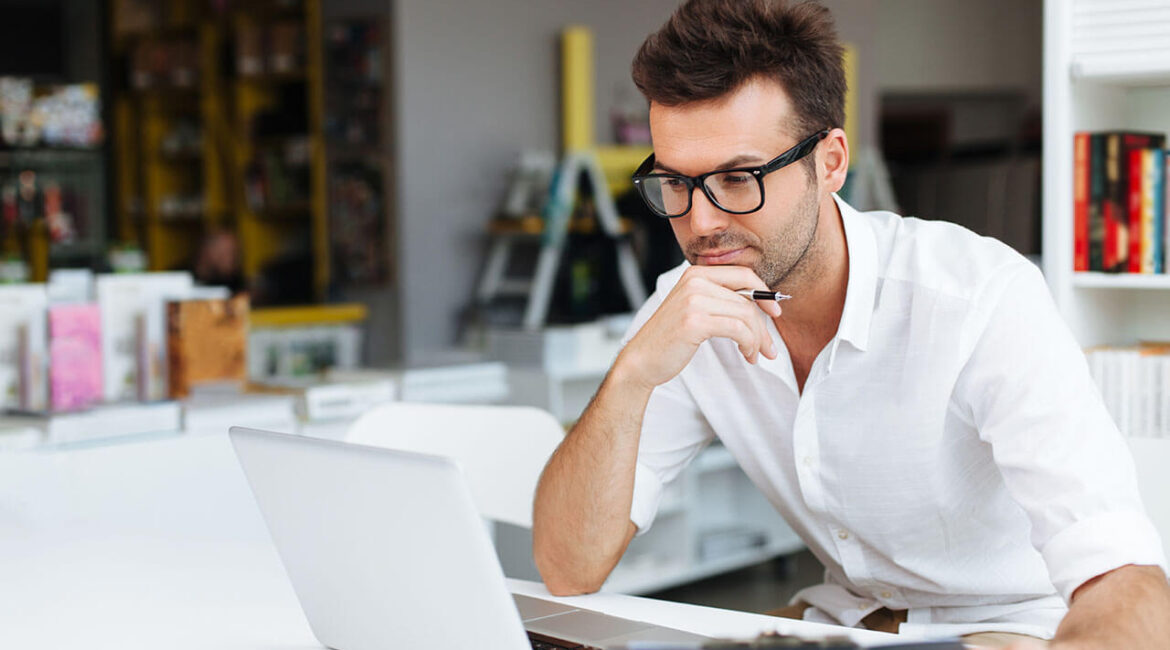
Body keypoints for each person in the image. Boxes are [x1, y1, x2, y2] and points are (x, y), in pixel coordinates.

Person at [530, 1, 1170, 648]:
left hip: (1010, 629)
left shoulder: (980, 300)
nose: (700, 223)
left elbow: (1127, 584)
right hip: (841, 626)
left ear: (831, 162)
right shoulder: (686, 308)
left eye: (738, 177)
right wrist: (633, 374)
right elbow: (567, 566)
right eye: (676, 183)